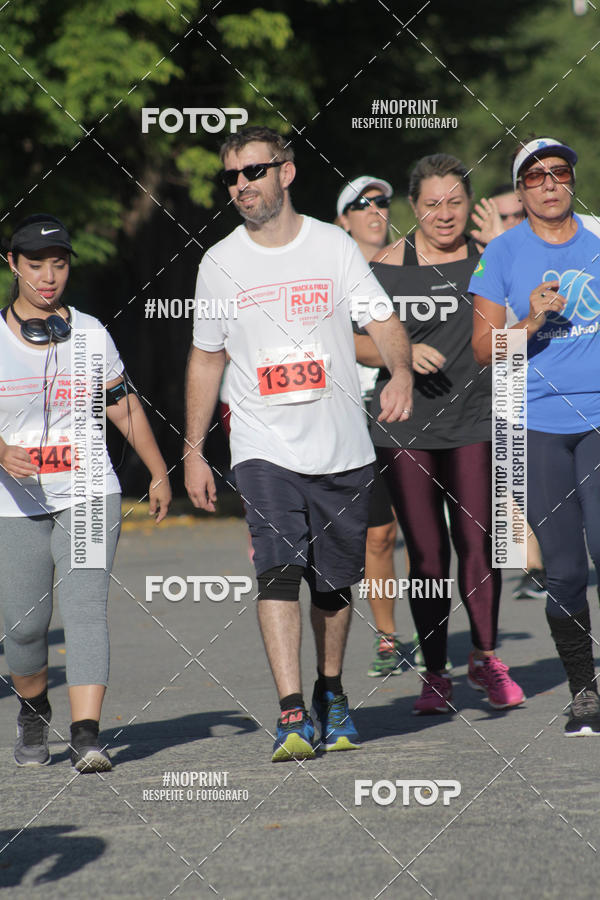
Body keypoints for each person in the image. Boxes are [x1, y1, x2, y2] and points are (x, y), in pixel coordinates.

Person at [184, 126, 413, 762]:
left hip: (340, 442)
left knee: (335, 583)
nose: (241, 186)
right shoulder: (221, 262)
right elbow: (207, 359)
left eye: (253, 172)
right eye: (231, 177)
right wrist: (195, 448)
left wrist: (399, 373)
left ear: (286, 173)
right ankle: (291, 712)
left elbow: (382, 319)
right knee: (279, 566)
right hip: (261, 441)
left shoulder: (334, 246)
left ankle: (330, 691)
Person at [0, 214, 171, 771]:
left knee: (85, 609)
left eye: (59, 263)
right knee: (24, 628)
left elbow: (121, 404)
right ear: (12, 265)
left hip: (89, 490)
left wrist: (158, 469)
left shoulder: (93, 333)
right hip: (14, 503)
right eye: (35, 265)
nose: (49, 277)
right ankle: (32, 711)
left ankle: (86, 736)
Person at [357, 153, 525, 715]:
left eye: (455, 201)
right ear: (414, 207)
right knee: (426, 554)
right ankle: (435, 673)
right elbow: (347, 339)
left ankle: (485, 656)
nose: (445, 213)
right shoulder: (383, 266)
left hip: (477, 417)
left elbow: (518, 326)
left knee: (478, 543)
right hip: (407, 424)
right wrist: (399, 349)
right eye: (433, 203)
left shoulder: (490, 260)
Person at [471, 136, 600, 735]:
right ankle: (585, 692)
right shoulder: (501, 253)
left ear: (572, 180)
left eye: (560, 172)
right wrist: (533, 319)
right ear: (520, 190)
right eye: (536, 176)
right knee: (566, 569)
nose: (550, 183)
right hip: (539, 426)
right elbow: (483, 351)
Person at [336, 175, 403, 678]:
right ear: (345, 219)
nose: (375, 210)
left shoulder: (411, 265)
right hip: (350, 411)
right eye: (363, 204)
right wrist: (398, 350)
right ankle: (388, 639)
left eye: (382, 202)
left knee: (422, 530)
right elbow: (333, 335)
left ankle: (457, 639)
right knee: (377, 533)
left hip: (413, 408)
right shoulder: (331, 266)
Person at [471, 184, 546, 601]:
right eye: (501, 217)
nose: (509, 224)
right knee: (511, 475)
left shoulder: (545, 250)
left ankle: (545, 559)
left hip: (551, 381)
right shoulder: (487, 257)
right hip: (504, 378)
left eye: (515, 216)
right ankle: (534, 566)